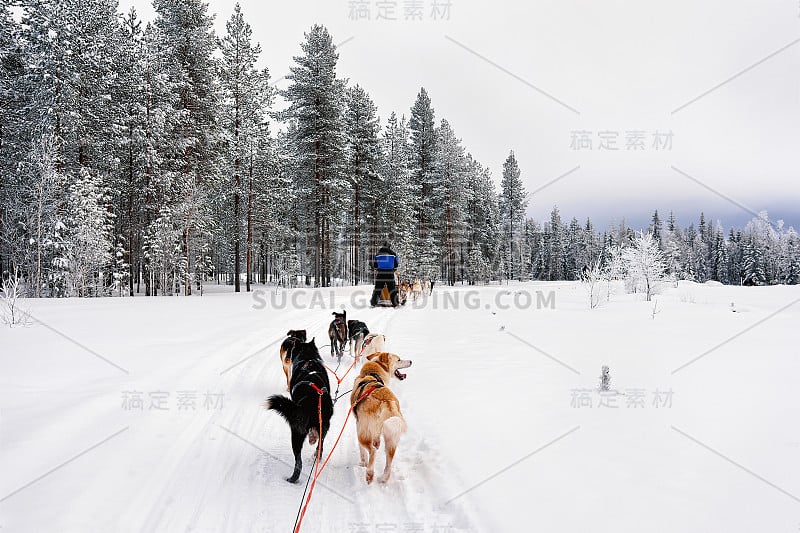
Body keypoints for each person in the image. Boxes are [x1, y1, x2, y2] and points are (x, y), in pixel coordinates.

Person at [370, 242, 399, 307]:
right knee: (392, 288)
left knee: (378, 288)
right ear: (389, 247)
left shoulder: (377, 254)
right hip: (390, 273)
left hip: (380, 273)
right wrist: (393, 268)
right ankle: (395, 303)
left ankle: (373, 302)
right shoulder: (393, 254)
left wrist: (378, 268)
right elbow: (396, 264)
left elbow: (375, 265)